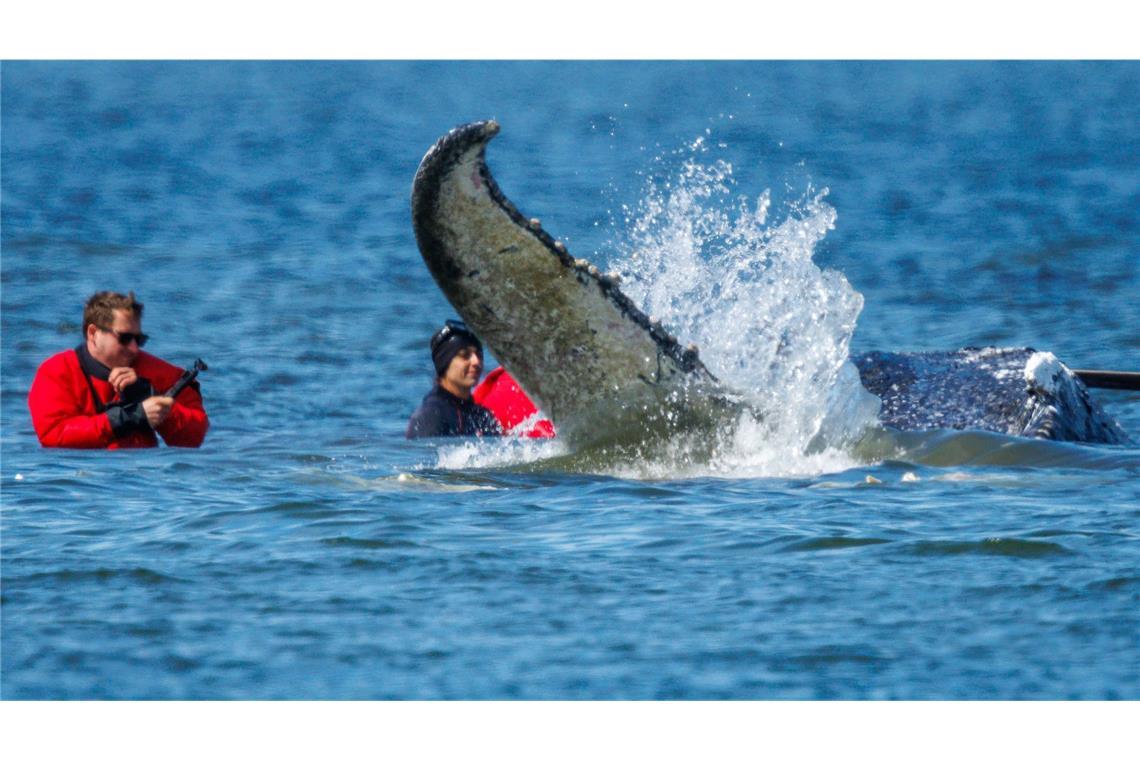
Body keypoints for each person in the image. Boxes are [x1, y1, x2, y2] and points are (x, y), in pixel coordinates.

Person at [27, 291, 209, 449]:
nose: (134, 349)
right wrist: (129, 417)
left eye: (139, 340)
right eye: (124, 338)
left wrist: (155, 401)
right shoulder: (56, 372)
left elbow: (194, 438)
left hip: (144, 479)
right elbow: (54, 435)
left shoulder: (157, 372)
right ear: (93, 333)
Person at [406, 320, 503, 438]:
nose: (476, 362)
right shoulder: (430, 415)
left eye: (479, 355)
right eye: (465, 356)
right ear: (444, 363)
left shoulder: (482, 415)